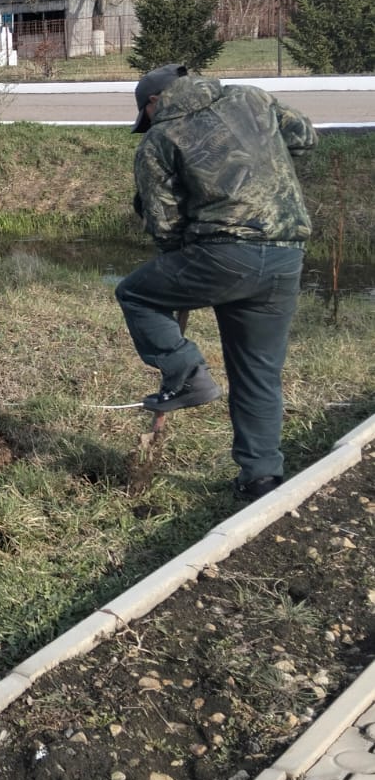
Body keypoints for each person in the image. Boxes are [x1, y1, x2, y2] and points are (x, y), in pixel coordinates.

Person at [116, 63, 317, 499]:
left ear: (154, 102)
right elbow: (304, 137)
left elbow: (164, 225)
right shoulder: (252, 98)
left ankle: (186, 374)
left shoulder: (161, 138)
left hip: (221, 254)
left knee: (134, 293)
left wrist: (179, 253)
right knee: (258, 373)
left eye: (144, 114)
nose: (146, 122)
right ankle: (261, 478)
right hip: (286, 254)